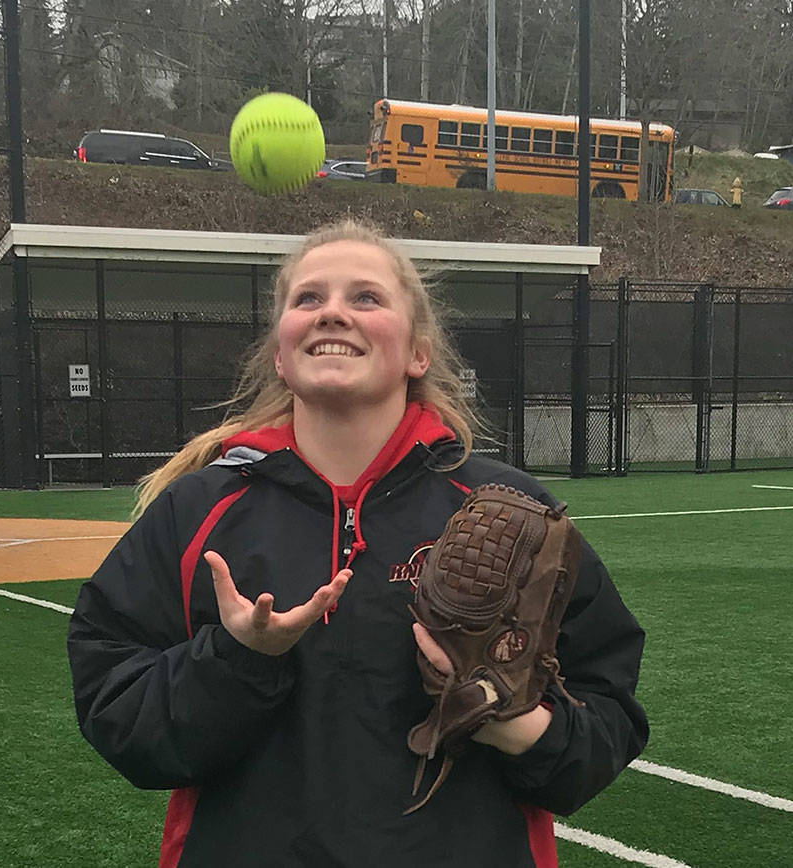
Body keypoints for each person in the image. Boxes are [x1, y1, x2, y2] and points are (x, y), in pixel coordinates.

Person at [67, 220, 648, 868]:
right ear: (281, 354)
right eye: (307, 299)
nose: (333, 312)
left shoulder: (514, 517)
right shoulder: (197, 512)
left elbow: (607, 718)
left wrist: (504, 718)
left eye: (365, 298)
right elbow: (115, 710)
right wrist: (238, 661)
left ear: (417, 352)